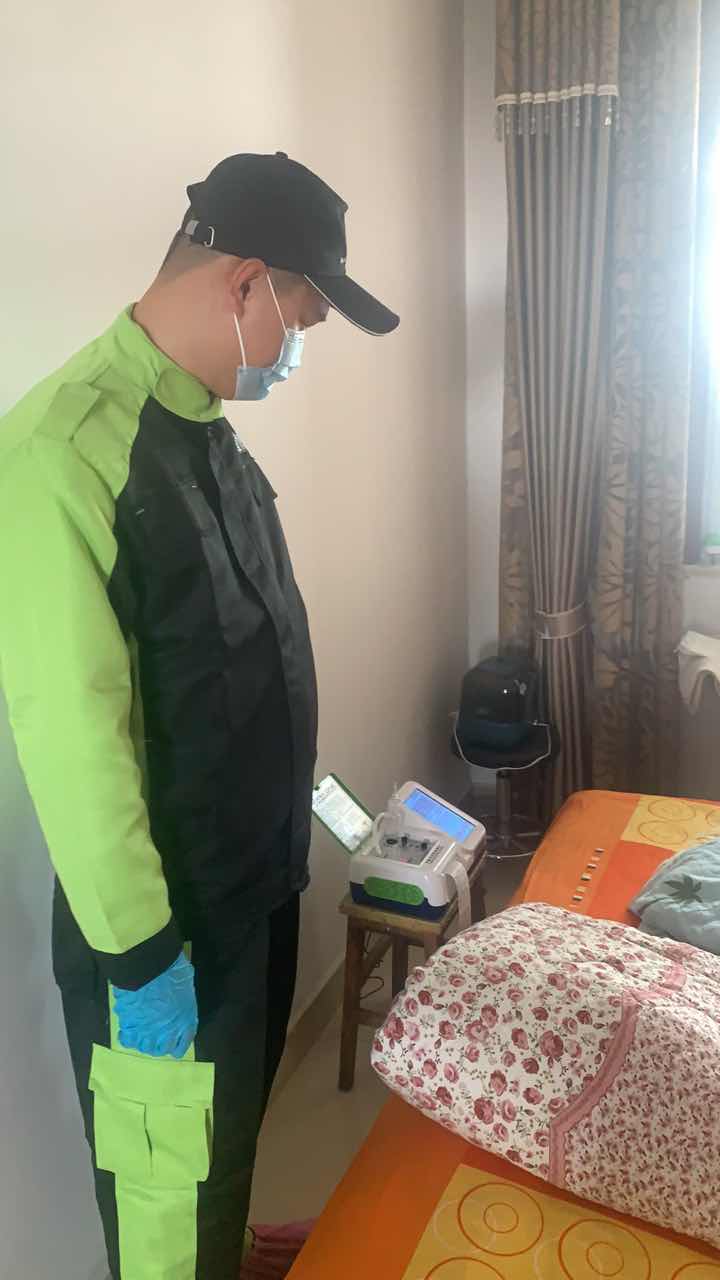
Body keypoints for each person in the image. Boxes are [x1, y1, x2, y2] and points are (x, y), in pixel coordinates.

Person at [0, 151, 399, 1280]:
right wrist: (141, 961)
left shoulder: (205, 430)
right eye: (301, 319)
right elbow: (73, 737)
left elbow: (248, 665)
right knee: (165, 1210)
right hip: (164, 941)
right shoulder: (62, 452)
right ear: (246, 284)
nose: (295, 349)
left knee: (220, 1170)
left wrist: (322, 815)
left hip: (256, 894)